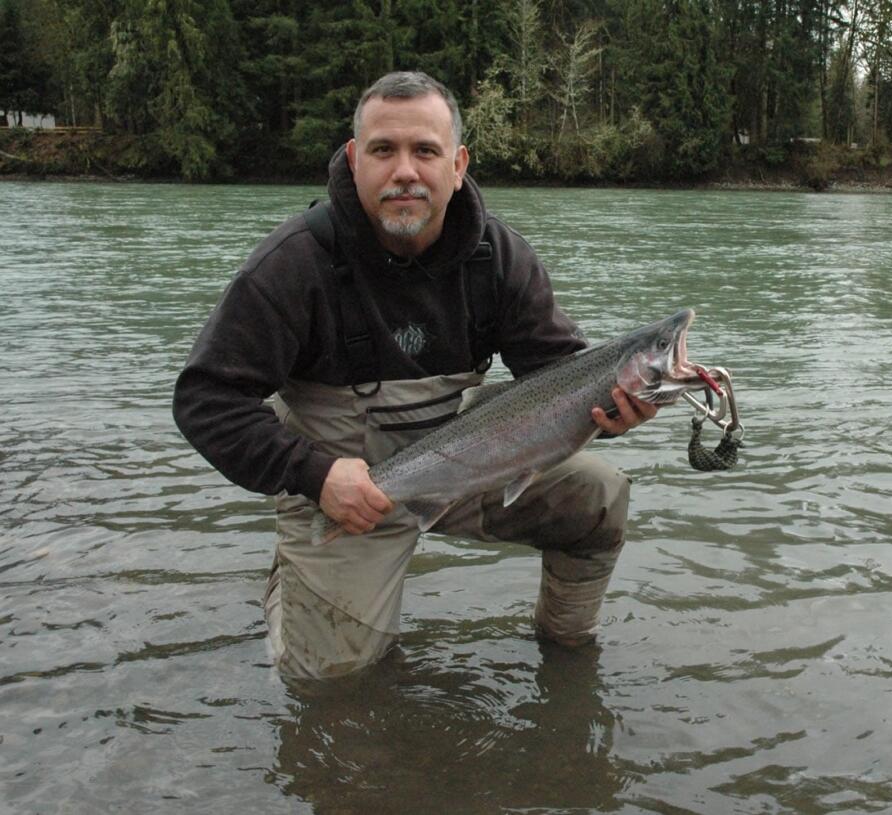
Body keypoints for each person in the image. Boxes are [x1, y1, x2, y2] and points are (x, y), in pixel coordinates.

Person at [173, 70, 657, 680]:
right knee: (331, 687)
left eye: (425, 151)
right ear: (354, 161)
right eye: (384, 150)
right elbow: (205, 399)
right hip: (346, 496)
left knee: (599, 495)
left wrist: (614, 415)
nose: (405, 170)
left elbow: (560, 383)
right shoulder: (293, 264)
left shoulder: (501, 259)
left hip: (471, 475)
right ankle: (289, 589)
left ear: (457, 165)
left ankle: (567, 657)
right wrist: (314, 475)